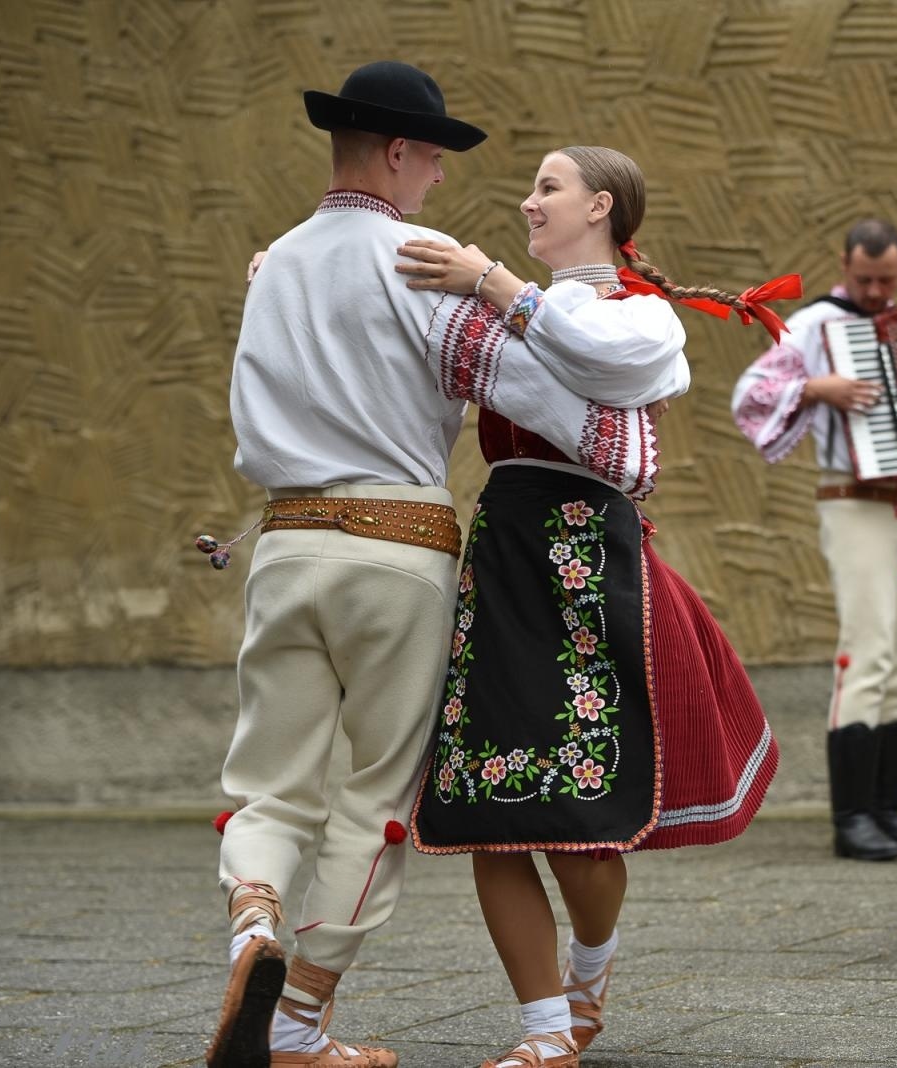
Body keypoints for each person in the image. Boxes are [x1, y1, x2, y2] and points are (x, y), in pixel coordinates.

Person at [211, 65, 667, 1068]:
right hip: (395, 549)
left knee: (267, 784)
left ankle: (252, 921)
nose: (443, 183)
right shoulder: (425, 263)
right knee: (374, 800)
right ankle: (300, 1024)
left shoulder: (275, 262)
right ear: (399, 154)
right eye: (435, 160)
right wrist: (624, 448)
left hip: (283, 543)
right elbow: (565, 414)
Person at [395, 145, 785, 1068]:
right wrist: (302, 265)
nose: (529, 202)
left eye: (548, 187)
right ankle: (543, 1033)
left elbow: (601, 360)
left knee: (578, 813)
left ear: (600, 206)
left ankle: (591, 965)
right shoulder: (502, 320)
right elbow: (398, 322)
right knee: (491, 802)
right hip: (504, 552)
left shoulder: (642, 320)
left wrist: (490, 282)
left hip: (583, 558)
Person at [730, 219, 897, 862]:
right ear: (845, 265)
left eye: (887, 279)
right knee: (869, 650)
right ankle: (850, 816)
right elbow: (750, 395)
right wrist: (815, 387)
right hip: (855, 504)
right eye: (864, 279)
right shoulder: (815, 326)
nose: (875, 290)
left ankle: (885, 811)